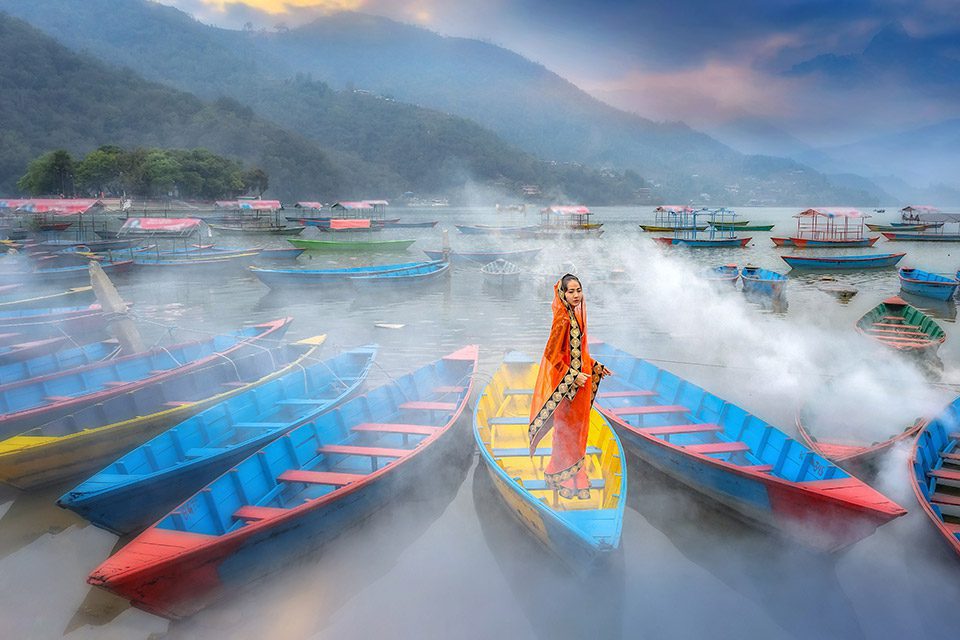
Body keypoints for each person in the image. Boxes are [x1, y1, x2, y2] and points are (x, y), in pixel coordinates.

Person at [528, 274, 611, 499]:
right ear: (562, 294)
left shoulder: (577, 317)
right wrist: (573, 376)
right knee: (565, 432)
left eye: (578, 290)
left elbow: (580, 353)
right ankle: (559, 475)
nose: (576, 295)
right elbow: (552, 355)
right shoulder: (562, 319)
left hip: (581, 382)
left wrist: (595, 366)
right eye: (571, 291)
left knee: (579, 429)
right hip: (566, 387)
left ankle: (577, 474)